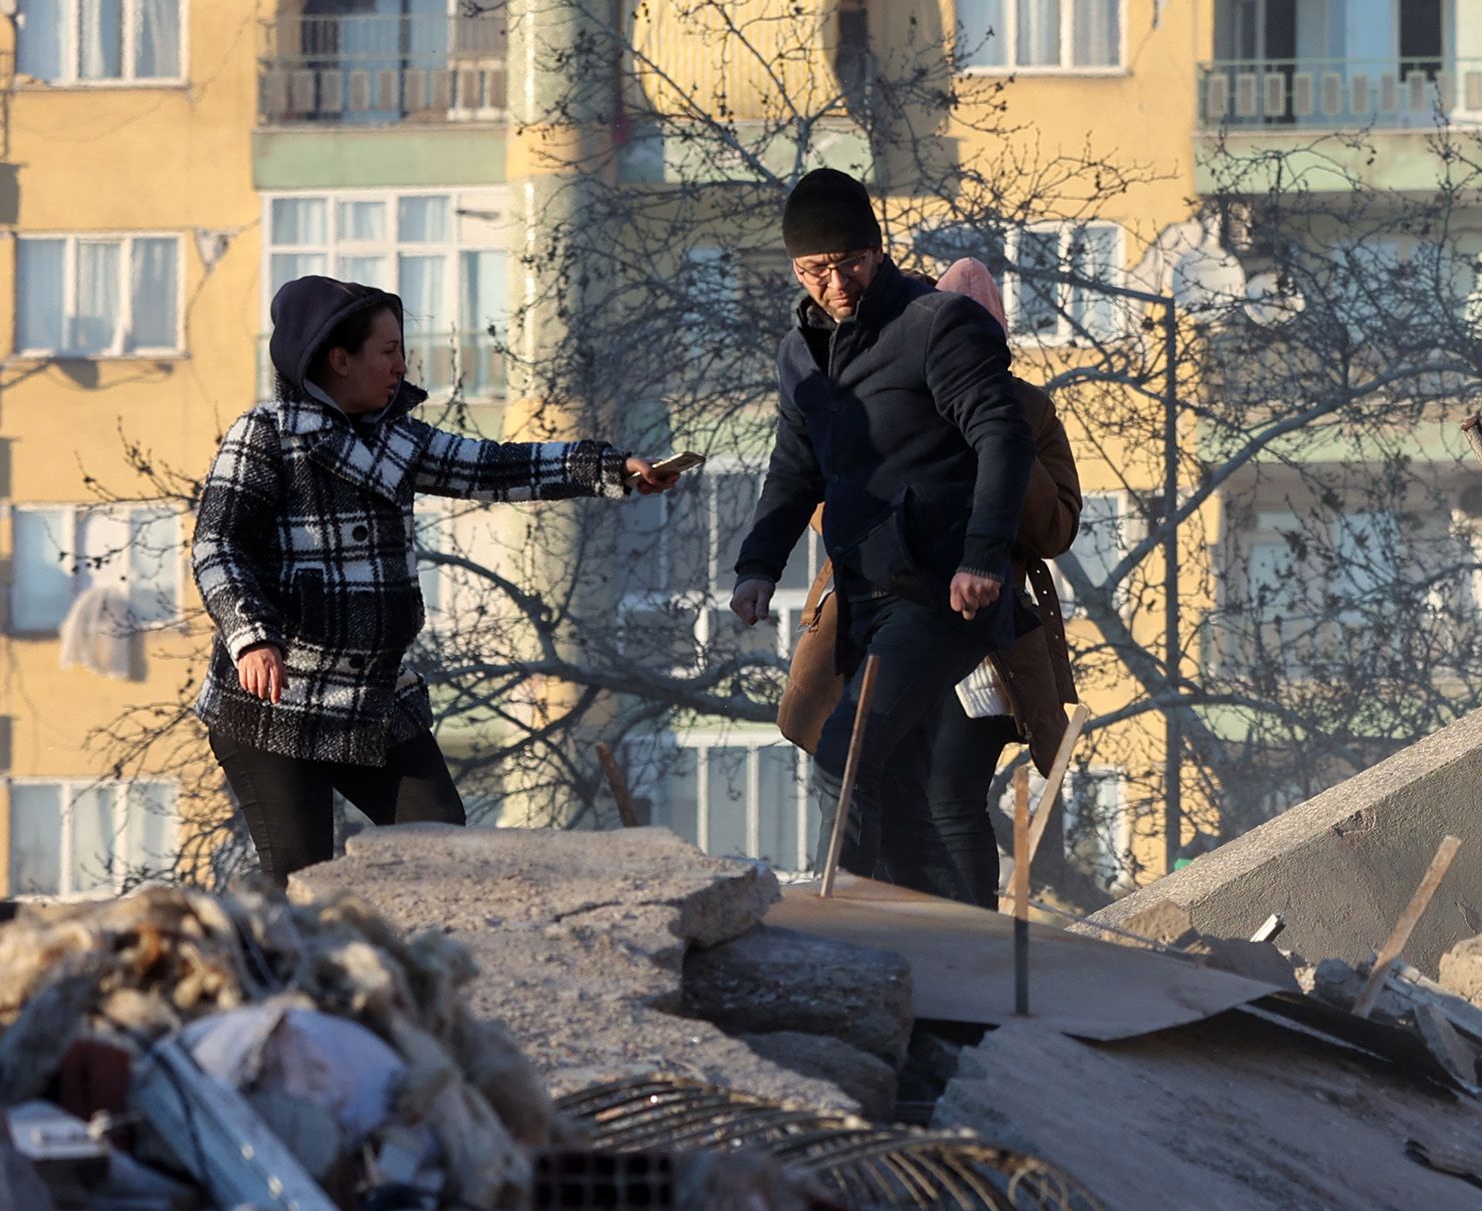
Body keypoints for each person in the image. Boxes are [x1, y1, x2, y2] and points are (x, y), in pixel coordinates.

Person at [191, 274, 683, 884]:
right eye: (388, 350)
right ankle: (300, 977)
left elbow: (499, 466)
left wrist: (610, 468)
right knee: (301, 878)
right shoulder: (265, 435)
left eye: (403, 349)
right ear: (339, 360)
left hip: (374, 700)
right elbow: (217, 543)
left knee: (443, 848)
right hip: (274, 706)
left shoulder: (400, 439)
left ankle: (424, 969)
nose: (403, 365)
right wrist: (251, 636)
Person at [730, 170, 1035, 901]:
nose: (835, 283)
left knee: (849, 752)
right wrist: (757, 566)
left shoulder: (935, 325)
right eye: (815, 269)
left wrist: (983, 556)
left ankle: (852, 923)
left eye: (850, 263)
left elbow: (1005, 435)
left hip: (941, 595)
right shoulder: (799, 354)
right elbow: (793, 469)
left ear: (877, 249)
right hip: (864, 598)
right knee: (902, 787)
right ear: (795, 269)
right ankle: (944, 940)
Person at [773, 256, 1086, 907]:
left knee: (951, 798)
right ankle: (880, 925)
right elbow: (825, 501)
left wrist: (1005, 445)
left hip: (980, 640)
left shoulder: (1027, 408)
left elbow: (1054, 528)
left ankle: (971, 944)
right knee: (878, 779)